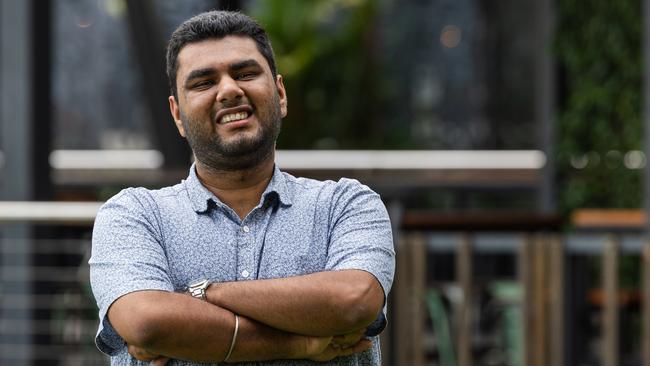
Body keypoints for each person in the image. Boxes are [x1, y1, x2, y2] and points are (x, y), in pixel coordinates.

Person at [90, 10, 395, 366]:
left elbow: (353, 300)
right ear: (177, 116)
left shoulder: (346, 205)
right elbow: (148, 322)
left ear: (280, 94)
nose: (230, 90)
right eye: (203, 82)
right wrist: (300, 344)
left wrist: (199, 296)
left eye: (246, 73)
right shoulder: (133, 216)